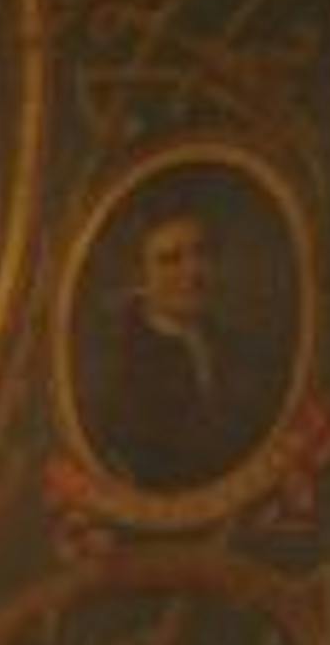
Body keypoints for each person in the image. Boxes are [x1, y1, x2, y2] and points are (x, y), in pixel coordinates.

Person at [92, 203, 278, 492]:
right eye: (170, 259)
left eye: (201, 253)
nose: (192, 272)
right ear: (138, 278)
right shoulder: (118, 363)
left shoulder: (241, 349)